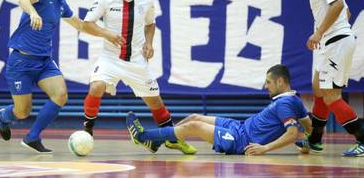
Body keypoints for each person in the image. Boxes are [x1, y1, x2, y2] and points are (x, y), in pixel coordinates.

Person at [0, 0, 114, 154]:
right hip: (21, 62)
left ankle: (32, 137)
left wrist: (106, 34)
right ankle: (3, 116)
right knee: (22, 112)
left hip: (44, 61)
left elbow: (81, 25)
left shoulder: (61, 3)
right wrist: (33, 13)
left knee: (60, 95)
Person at [81, 0, 197, 155]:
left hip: (137, 61)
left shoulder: (147, 0)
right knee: (96, 87)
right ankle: (87, 131)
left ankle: (172, 139)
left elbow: (150, 24)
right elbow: (86, 25)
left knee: (155, 102)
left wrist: (149, 44)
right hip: (110, 58)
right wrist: (106, 33)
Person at [291, 0, 364, 156]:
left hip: (335, 42)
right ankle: (315, 140)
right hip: (331, 42)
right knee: (318, 89)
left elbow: (338, 5)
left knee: (331, 96)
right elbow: (346, 12)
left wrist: (320, 32)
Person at [127, 64, 312, 155]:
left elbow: (293, 132)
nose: (266, 86)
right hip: (239, 126)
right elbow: (308, 126)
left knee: (194, 126)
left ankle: (142, 137)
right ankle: (160, 141)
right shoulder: (293, 100)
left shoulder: (285, 103)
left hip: (241, 140)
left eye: (269, 82)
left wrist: (265, 148)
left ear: (281, 81)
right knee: (194, 117)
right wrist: (307, 143)